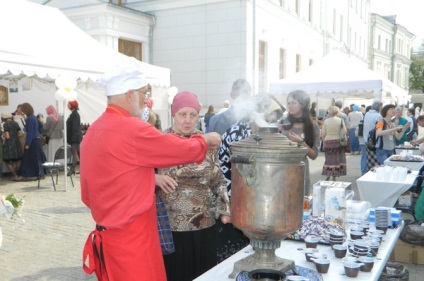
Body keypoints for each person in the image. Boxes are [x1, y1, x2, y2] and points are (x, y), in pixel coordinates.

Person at [80, 64, 221, 281]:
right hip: (134, 238)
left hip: (108, 236)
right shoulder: (132, 128)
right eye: (144, 93)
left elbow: (88, 194)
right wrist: (206, 140)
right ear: (129, 95)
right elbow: (177, 148)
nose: (147, 100)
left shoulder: (94, 129)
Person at [156, 91, 231, 281]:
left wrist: (225, 210)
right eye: (182, 114)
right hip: (173, 227)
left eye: (193, 115)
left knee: (204, 275)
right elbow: (140, 173)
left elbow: (217, 178)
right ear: (174, 114)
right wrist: (154, 177)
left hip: (205, 224)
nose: (188, 120)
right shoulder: (160, 141)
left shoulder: (207, 142)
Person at [217, 93, 285, 262]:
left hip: (255, 201)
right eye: (271, 118)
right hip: (236, 201)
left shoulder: (263, 133)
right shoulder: (238, 134)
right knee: (237, 255)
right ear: (257, 115)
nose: (273, 123)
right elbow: (249, 175)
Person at [279, 90, 320, 195]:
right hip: (281, 171)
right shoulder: (283, 123)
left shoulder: (313, 127)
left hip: (301, 172)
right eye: (288, 103)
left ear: (302, 105)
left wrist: (301, 142)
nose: (290, 106)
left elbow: (314, 155)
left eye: (293, 103)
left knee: (301, 206)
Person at [17, 102, 45, 181]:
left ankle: (28, 174)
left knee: (29, 159)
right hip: (37, 140)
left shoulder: (29, 119)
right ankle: (40, 173)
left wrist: (28, 144)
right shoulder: (34, 117)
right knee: (37, 158)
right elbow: (41, 126)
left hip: (32, 141)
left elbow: (30, 133)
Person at [321, 105, 347, 181]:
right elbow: (344, 131)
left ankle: (328, 173)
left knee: (329, 159)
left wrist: (324, 142)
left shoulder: (326, 121)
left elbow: (323, 133)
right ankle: (334, 177)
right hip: (337, 140)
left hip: (328, 140)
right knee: (336, 159)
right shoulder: (340, 120)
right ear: (337, 112)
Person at [2, 112, 23, 181]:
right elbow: (21, 134)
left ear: (4, 118)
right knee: (17, 159)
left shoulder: (6, 124)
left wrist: (3, 135)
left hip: (9, 144)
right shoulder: (15, 123)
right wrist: (15, 136)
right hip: (17, 143)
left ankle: (15, 175)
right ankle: (16, 175)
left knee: (7, 160)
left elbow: (7, 136)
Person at [363, 101, 382, 174]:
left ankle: (367, 172)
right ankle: (374, 173)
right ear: (379, 107)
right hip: (374, 140)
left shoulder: (367, 114)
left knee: (368, 158)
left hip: (366, 139)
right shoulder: (378, 116)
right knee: (375, 159)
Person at [66, 100, 82, 175]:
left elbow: (74, 128)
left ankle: (72, 169)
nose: (67, 106)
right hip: (76, 137)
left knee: (75, 153)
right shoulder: (74, 114)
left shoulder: (74, 115)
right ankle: (82, 169)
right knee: (78, 154)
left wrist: (72, 138)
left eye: (69, 105)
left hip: (74, 138)